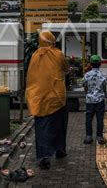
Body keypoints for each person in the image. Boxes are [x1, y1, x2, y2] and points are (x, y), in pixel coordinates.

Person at [26, 31, 69, 170]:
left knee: (42, 128)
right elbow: (65, 68)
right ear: (52, 41)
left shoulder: (34, 56)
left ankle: (43, 156)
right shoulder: (58, 54)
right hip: (56, 97)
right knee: (59, 126)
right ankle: (59, 150)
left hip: (38, 98)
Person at [82, 55, 107, 145]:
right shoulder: (103, 75)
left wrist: (88, 94)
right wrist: (102, 94)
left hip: (89, 100)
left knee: (88, 118)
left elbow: (85, 87)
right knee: (100, 119)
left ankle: (88, 136)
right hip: (100, 100)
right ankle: (99, 137)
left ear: (90, 64)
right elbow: (104, 88)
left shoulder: (87, 75)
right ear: (100, 64)